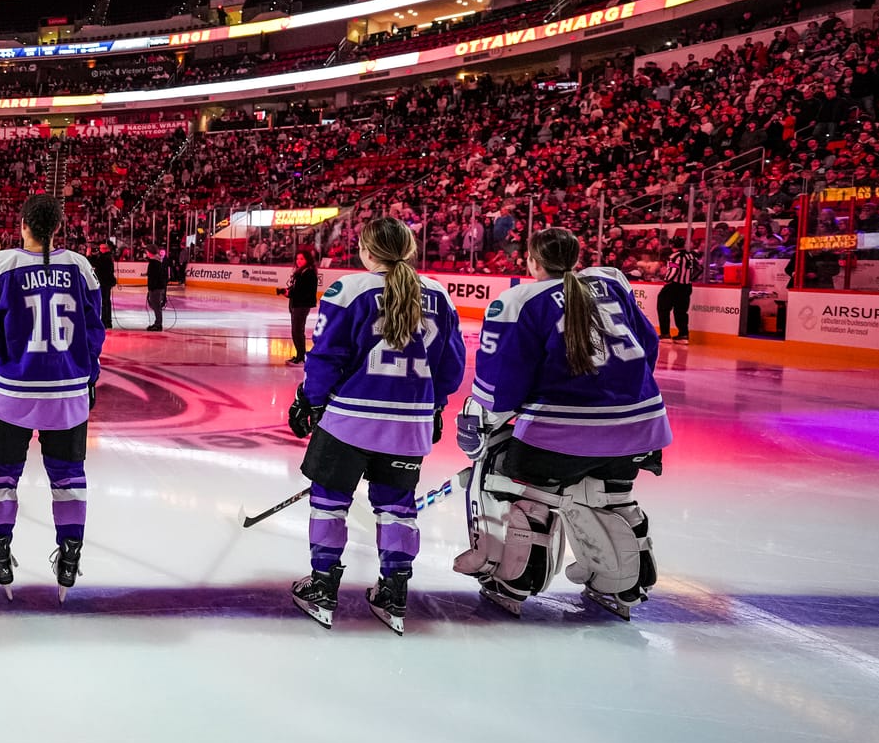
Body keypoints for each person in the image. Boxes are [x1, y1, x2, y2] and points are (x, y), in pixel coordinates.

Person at [455, 227, 670, 620]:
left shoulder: (520, 300)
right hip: (640, 426)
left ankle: (515, 578)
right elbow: (648, 344)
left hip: (560, 435)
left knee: (505, 479)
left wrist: (483, 418)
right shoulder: (609, 285)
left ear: (532, 262)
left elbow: (502, 383)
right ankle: (622, 582)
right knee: (609, 496)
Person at [287, 217, 465, 634]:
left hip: (351, 420)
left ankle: (323, 584)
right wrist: (433, 406)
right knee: (397, 507)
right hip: (410, 425)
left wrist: (309, 401)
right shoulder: (439, 294)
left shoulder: (349, 289)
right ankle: (394, 590)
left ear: (367, 251)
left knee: (330, 501)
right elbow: (451, 369)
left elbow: (326, 356)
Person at [0, 195, 106, 600]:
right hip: (68, 392)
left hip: (11, 394)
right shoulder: (81, 267)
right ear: (57, 226)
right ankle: (71, 553)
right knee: (69, 478)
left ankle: (0, 552)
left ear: (23, 223)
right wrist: (88, 375)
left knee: (1, 477)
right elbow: (95, 330)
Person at [657, 237, 697, 343]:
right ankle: (683, 335)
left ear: (672, 245)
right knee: (681, 311)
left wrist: (667, 280)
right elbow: (699, 269)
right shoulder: (691, 256)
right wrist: (690, 278)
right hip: (687, 286)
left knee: (663, 308)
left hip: (673, 286)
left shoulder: (674, 256)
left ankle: (665, 334)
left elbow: (674, 270)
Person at [283, 249, 319, 366]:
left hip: (301, 305)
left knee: (297, 331)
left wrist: (291, 293)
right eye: (297, 259)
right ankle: (299, 355)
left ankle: (301, 357)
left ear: (307, 260)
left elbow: (304, 291)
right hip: (296, 304)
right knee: (296, 331)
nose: (299, 261)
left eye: (302, 259)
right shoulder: (301, 272)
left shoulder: (308, 273)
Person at [88, 242, 118, 329]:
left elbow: (95, 264)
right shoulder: (107, 257)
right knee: (106, 302)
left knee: (105, 302)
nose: (99, 250)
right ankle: (107, 321)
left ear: (105, 249)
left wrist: (90, 255)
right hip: (106, 282)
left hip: (105, 282)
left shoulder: (105, 257)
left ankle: (106, 321)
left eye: (100, 248)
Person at [144, 247, 169, 331]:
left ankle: (158, 324)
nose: (146, 253)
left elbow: (154, 277)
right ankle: (157, 323)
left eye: (147, 252)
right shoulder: (156, 262)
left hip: (156, 288)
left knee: (156, 307)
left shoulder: (154, 263)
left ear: (150, 252)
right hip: (157, 287)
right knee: (156, 306)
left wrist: (151, 288)